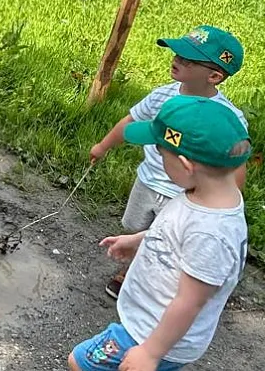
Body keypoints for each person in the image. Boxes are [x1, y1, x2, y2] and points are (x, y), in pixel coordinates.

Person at [69, 95, 250, 371]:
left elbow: (191, 300)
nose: (159, 159)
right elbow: (175, 235)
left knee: (79, 362)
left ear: (186, 165)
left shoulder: (211, 233)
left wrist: (151, 352)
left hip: (152, 335)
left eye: (161, 153)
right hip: (150, 324)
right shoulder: (204, 195)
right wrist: (140, 240)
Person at [89, 25, 246, 299]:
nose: (176, 60)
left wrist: (226, 200)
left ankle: (157, 281)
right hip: (148, 179)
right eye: (177, 54)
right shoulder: (163, 94)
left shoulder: (226, 119)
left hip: (185, 193)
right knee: (136, 229)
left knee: (170, 240)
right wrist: (103, 146)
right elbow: (132, 121)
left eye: (188, 59)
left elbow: (236, 164)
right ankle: (135, 266)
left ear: (214, 75)